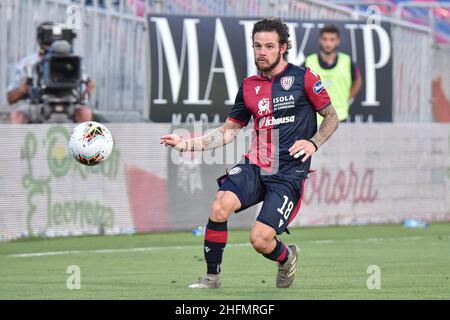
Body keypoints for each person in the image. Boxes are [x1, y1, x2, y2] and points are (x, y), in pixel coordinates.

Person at [160, 17, 339, 289]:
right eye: (257, 46)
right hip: (256, 165)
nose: (261, 52)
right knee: (220, 205)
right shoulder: (248, 87)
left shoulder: (304, 78)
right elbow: (228, 131)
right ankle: (212, 277)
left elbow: (331, 117)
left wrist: (313, 143)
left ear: (284, 48)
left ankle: (286, 256)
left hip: (287, 174)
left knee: (259, 240)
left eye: (269, 46)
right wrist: (187, 144)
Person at [7, 21, 94, 124]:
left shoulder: (74, 62)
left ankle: (82, 140)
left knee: (85, 113)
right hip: (38, 105)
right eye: (49, 42)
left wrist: (88, 89)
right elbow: (10, 98)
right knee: (18, 115)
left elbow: (83, 96)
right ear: (40, 41)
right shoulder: (28, 63)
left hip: (69, 105)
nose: (52, 45)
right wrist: (22, 90)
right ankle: (17, 140)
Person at [305, 24, 362, 123]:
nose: (328, 43)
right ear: (320, 40)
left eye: (332, 39)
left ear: (338, 41)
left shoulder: (347, 61)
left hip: (340, 116)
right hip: (316, 118)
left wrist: (345, 99)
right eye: (325, 39)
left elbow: (358, 81)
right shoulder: (308, 61)